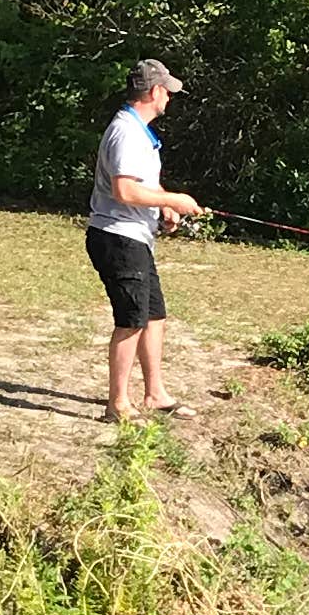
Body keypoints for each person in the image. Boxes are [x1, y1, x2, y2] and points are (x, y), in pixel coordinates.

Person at [86, 57, 205, 421]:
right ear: (154, 91)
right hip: (117, 238)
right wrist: (175, 199)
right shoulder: (126, 132)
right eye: (167, 91)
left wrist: (163, 206)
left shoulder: (139, 132)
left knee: (154, 315)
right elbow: (124, 190)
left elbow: (141, 185)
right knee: (131, 320)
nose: (169, 97)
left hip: (135, 237)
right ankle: (118, 404)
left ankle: (155, 394)